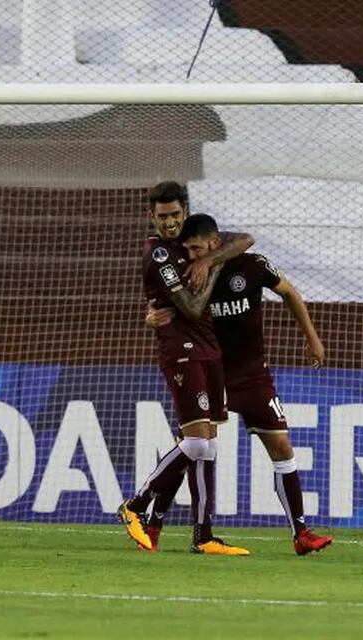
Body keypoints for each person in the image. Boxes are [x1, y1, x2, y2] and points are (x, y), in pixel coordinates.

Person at [145, 213, 332, 555]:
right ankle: (154, 523)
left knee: (282, 446)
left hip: (252, 374)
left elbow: (289, 292)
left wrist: (312, 338)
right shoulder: (188, 276)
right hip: (208, 370)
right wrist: (151, 316)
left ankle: (301, 533)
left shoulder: (253, 266)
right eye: (186, 250)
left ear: (215, 245)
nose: (190, 256)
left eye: (196, 249)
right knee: (193, 448)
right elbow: (161, 306)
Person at [118, 181, 253, 555]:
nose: (170, 223)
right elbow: (192, 308)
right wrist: (211, 266)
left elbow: (245, 238)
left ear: (185, 212)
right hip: (181, 350)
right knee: (195, 442)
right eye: (162, 217)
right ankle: (135, 505)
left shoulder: (191, 243)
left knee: (207, 447)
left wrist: (208, 257)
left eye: (175, 215)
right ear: (152, 217)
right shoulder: (159, 254)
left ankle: (204, 535)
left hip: (209, 348)